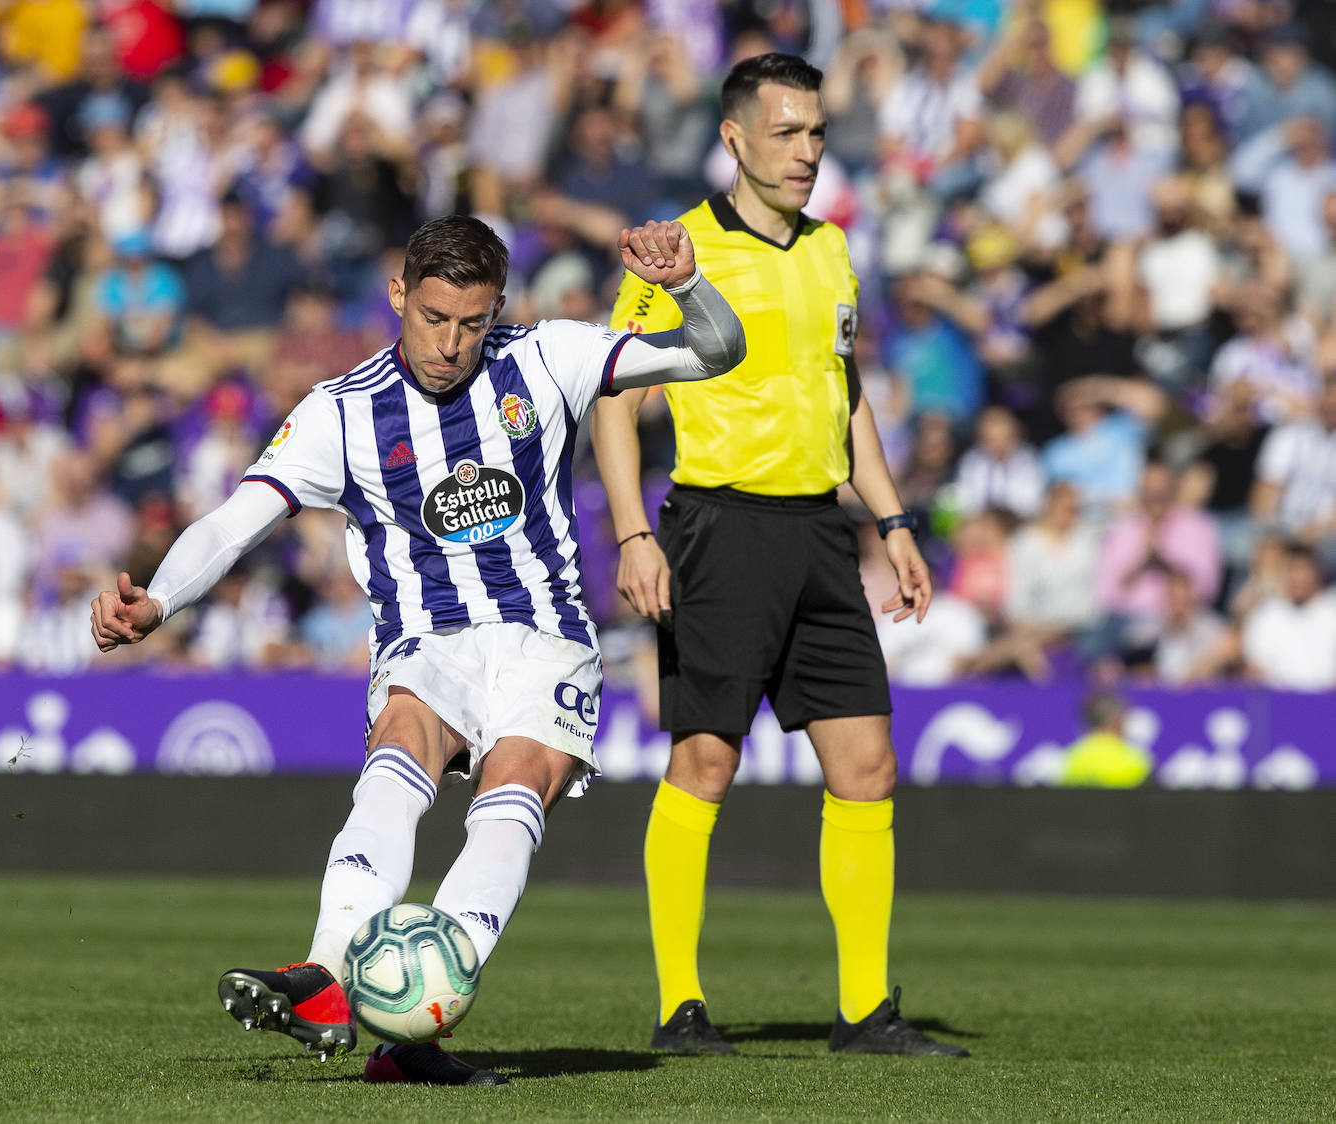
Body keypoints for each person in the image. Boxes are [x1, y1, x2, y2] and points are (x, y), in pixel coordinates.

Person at [90, 213, 746, 1084]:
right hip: (425, 636)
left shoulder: (548, 356)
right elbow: (236, 520)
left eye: (473, 323)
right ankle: (326, 977)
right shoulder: (343, 410)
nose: (451, 343)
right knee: (402, 743)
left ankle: (417, 1026)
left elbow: (715, 353)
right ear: (399, 294)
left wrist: (687, 287)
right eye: (434, 317)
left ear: (498, 309)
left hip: (545, 636)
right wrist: (160, 597)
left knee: (516, 789)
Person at [590, 52, 967, 1059]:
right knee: (705, 760)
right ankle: (680, 1005)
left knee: (868, 765)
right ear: (735, 138)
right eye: (788, 132)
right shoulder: (678, 251)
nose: (806, 151)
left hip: (817, 533)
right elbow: (616, 398)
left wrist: (892, 522)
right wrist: (633, 533)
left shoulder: (832, 249)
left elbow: (850, 404)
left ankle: (863, 1010)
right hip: (717, 525)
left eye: (815, 132)